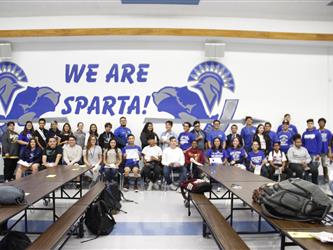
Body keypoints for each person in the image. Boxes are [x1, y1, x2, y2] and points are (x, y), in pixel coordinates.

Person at [318, 118, 332, 183]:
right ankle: (315, 177)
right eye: (320, 122)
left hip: (325, 151)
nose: (321, 123)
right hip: (317, 152)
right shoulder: (316, 131)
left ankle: (325, 176)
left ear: (324, 123)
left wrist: (330, 151)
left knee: (324, 165)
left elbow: (330, 142)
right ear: (318, 123)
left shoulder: (328, 132)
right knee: (315, 165)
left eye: (322, 122)